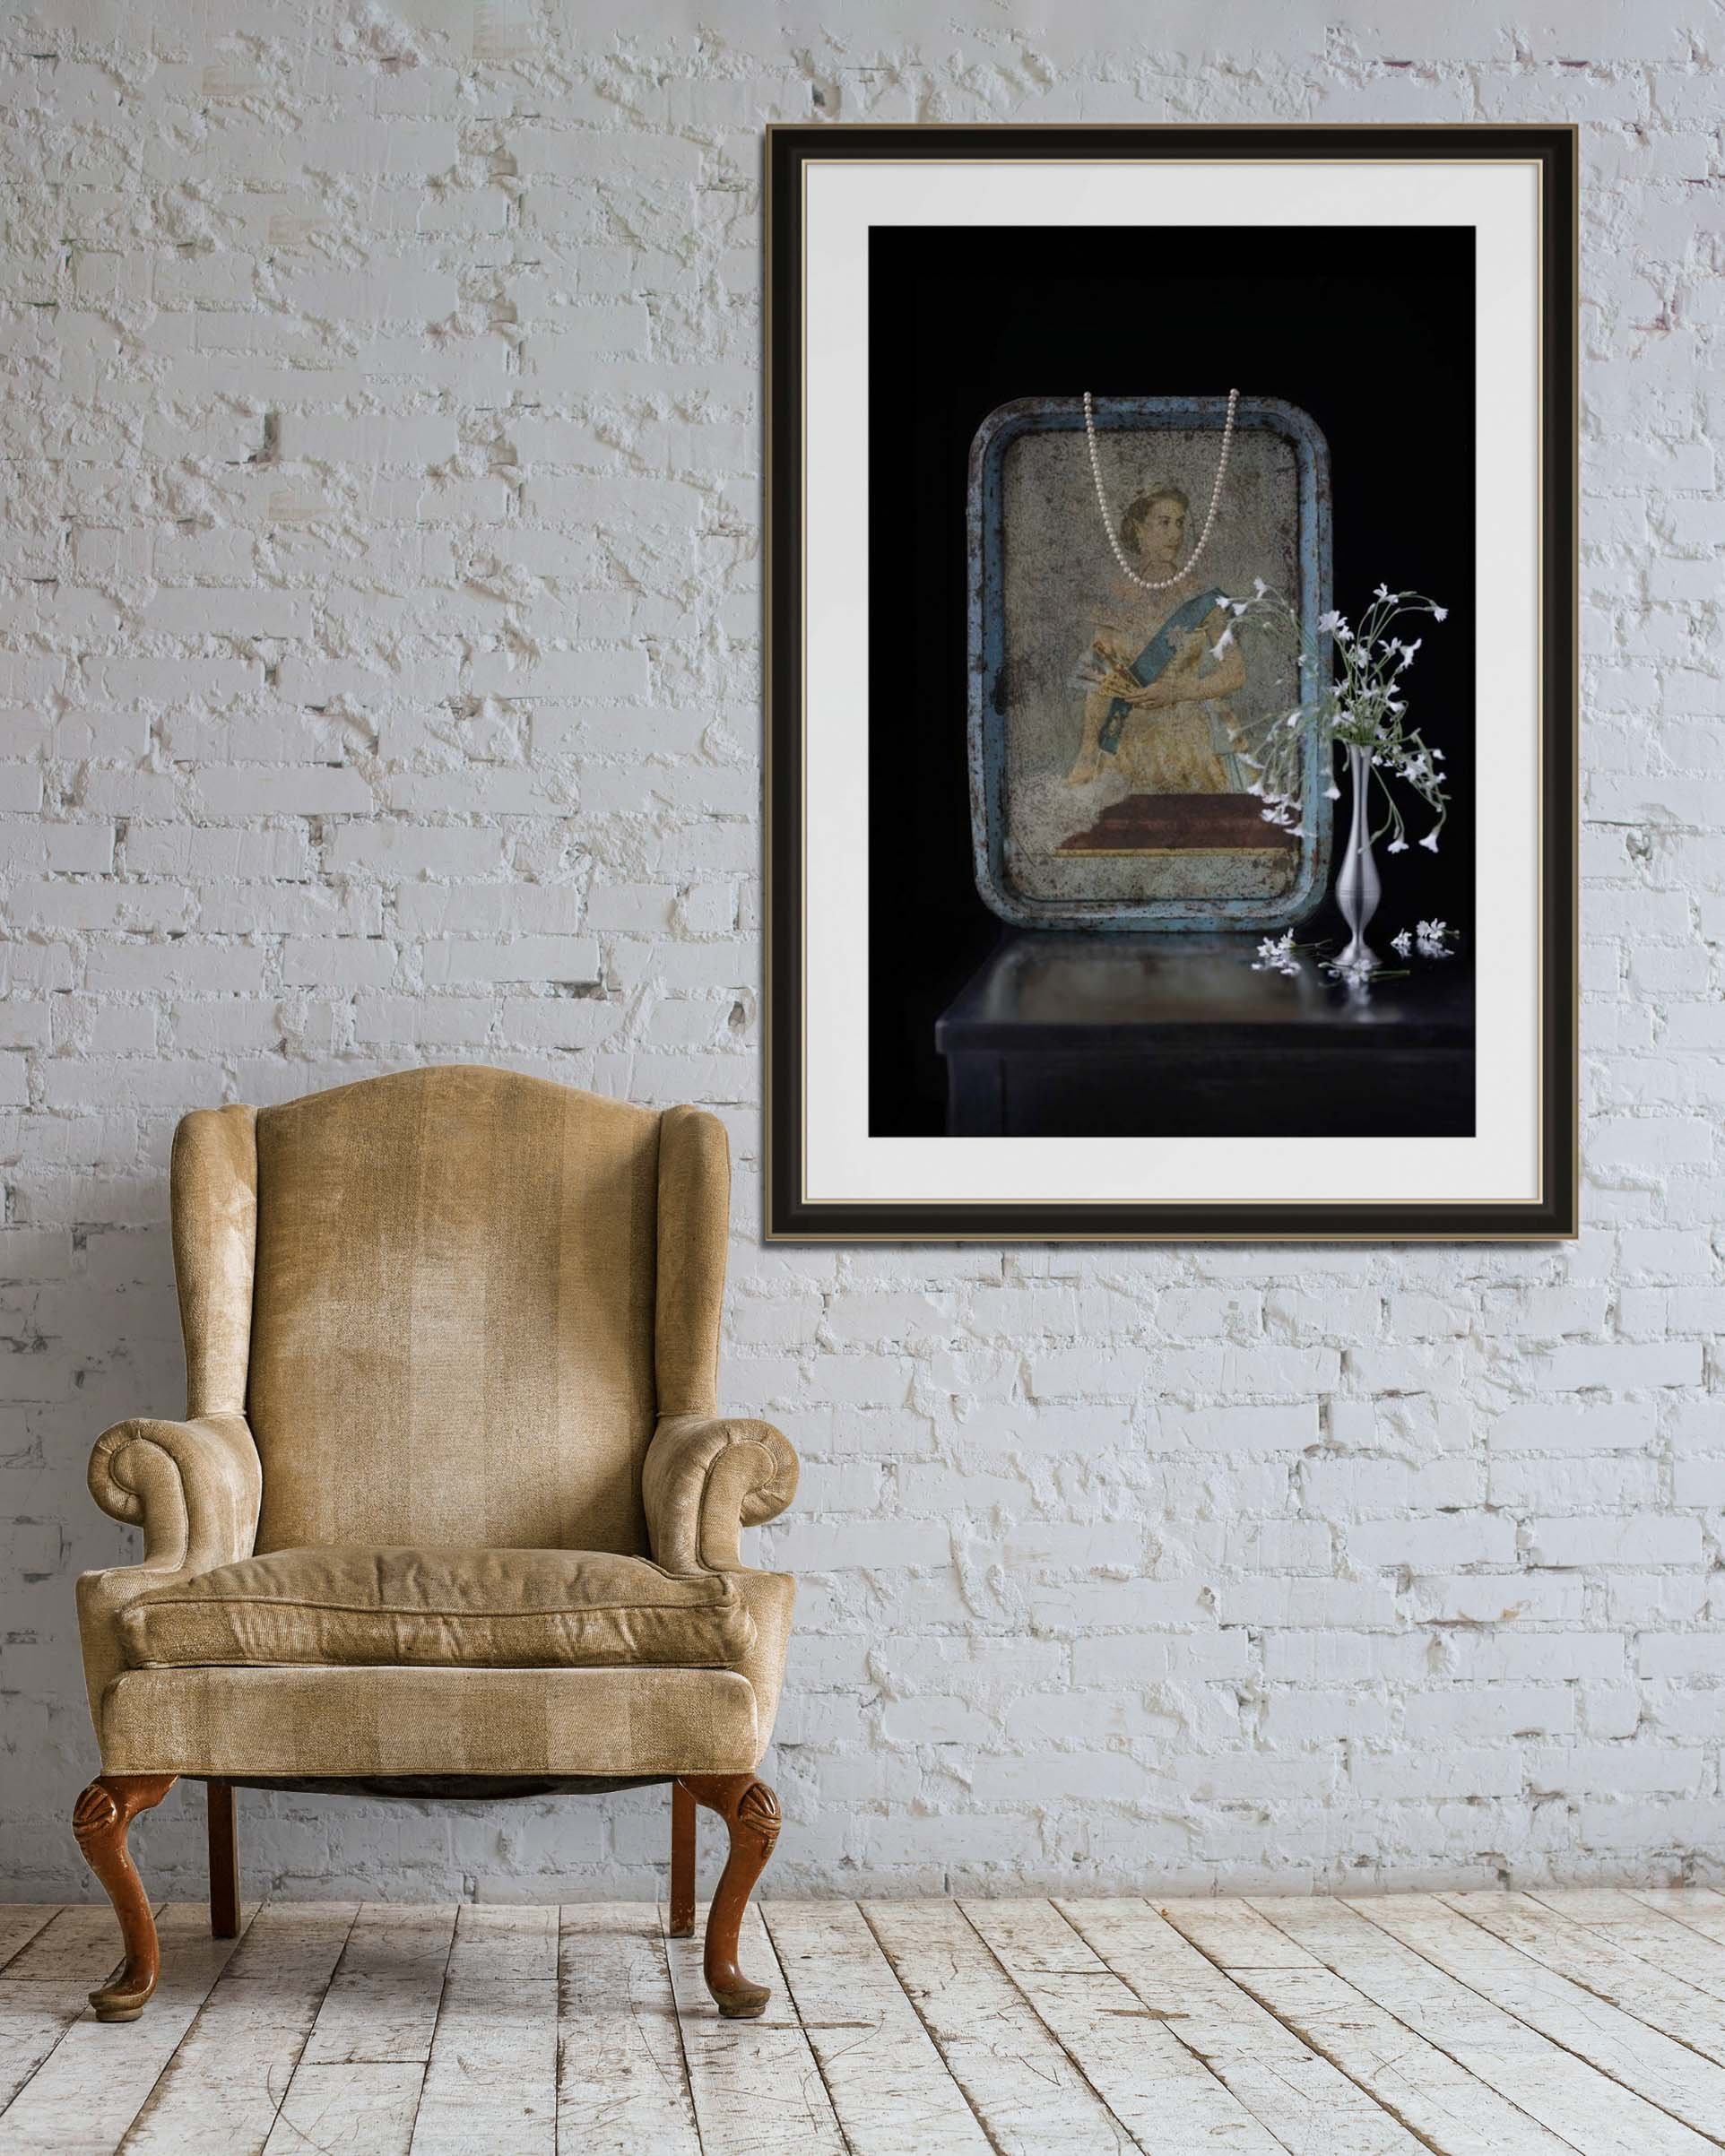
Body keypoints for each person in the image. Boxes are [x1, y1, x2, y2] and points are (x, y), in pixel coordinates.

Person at [1065, 484, 1247, 792]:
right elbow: (1098, 682)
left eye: (1179, 523)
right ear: (1139, 528)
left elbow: (1235, 672)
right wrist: (1086, 754)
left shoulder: (1201, 596)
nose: (1175, 533)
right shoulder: (1114, 597)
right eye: (1164, 522)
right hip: (1126, 744)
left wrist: (1177, 691)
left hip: (1189, 744)